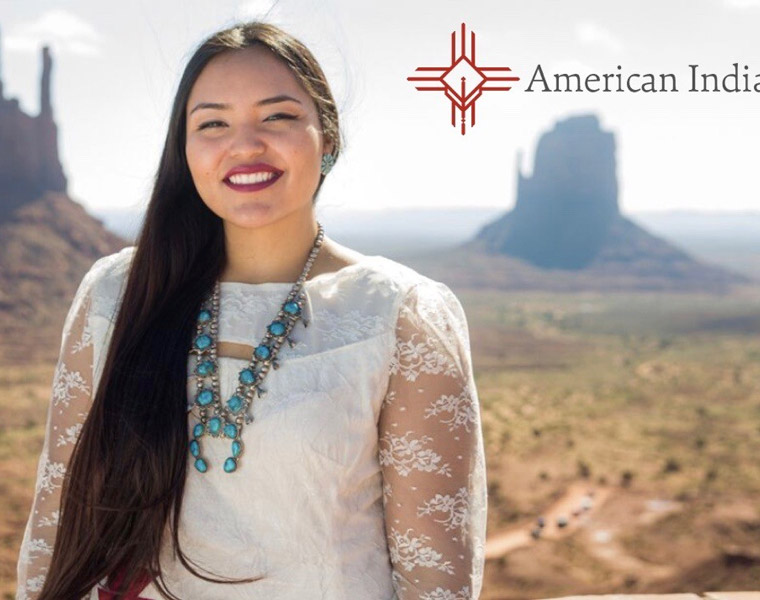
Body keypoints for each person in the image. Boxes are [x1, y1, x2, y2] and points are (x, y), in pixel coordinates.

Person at [15, 21, 487, 600]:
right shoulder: (117, 294)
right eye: (212, 123)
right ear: (185, 151)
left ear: (328, 138)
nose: (244, 145)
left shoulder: (400, 314)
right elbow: (57, 526)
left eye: (278, 116)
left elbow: (435, 582)